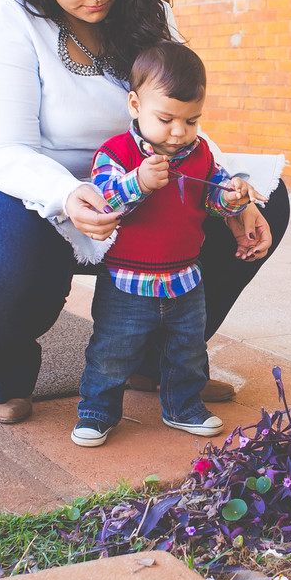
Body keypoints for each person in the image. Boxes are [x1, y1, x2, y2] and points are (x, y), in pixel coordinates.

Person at [0, 0, 290, 425]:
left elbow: (178, 120)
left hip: (136, 178)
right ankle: (3, 371)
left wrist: (230, 193)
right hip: (15, 178)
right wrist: (66, 192)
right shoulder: (3, 19)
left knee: (261, 203)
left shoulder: (147, 12)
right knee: (9, 256)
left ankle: (159, 357)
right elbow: (4, 148)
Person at [72, 41, 250, 446]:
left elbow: (214, 194)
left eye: (191, 121)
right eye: (166, 118)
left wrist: (234, 195)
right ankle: (97, 411)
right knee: (112, 351)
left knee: (187, 351)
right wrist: (140, 181)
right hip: (126, 282)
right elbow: (106, 200)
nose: (178, 131)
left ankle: (183, 406)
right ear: (135, 105)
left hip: (185, 279)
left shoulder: (199, 153)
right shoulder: (115, 153)